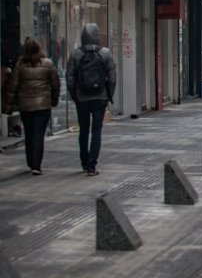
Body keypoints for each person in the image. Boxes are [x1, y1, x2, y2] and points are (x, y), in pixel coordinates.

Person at [66, 23, 117, 176]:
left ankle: (84, 160)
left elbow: (70, 78)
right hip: (100, 97)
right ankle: (92, 165)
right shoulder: (106, 53)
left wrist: (75, 96)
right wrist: (109, 95)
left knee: (83, 130)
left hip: (82, 98)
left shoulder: (76, 54)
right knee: (96, 131)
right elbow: (113, 78)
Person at [3, 39, 60, 175]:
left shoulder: (20, 65)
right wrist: (53, 100)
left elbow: (12, 87)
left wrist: (7, 107)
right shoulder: (48, 64)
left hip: (26, 106)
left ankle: (31, 162)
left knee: (29, 134)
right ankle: (36, 164)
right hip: (43, 106)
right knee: (38, 135)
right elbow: (55, 84)